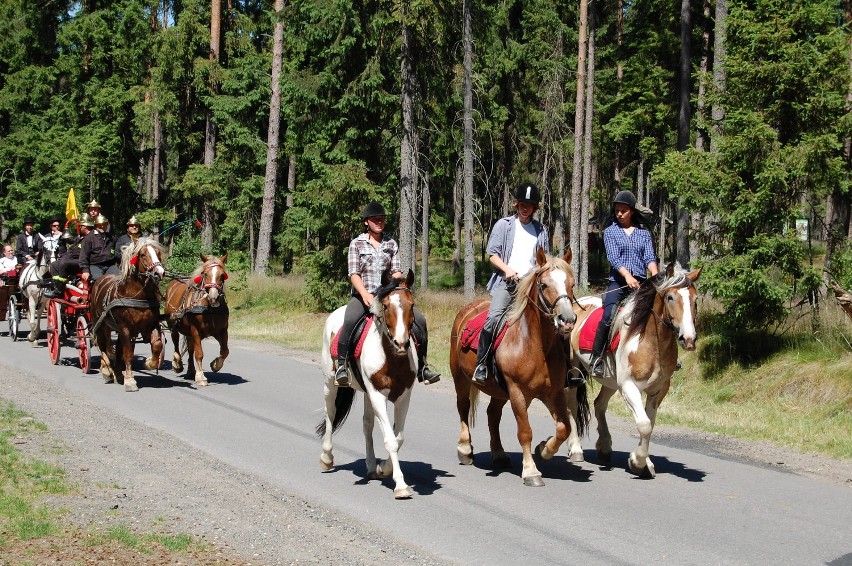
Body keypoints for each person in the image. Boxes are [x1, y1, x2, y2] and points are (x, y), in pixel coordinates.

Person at [334, 201, 441, 387]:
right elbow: (354, 274)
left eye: (382, 219)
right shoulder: (357, 244)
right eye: (375, 219)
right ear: (366, 222)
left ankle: (423, 366)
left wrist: (395, 282)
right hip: (363, 295)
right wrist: (366, 295)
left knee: (420, 321)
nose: (380, 222)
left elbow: (397, 270)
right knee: (350, 320)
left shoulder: (391, 243)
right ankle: (342, 366)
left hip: (389, 295)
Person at [472, 182, 551, 383]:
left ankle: (564, 370)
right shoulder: (504, 225)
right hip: (508, 284)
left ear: (535, 207)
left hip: (532, 285)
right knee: (494, 318)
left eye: (530, 204)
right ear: (516, 204)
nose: (526, 208)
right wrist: (507, 270)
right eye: (523, 204)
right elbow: (492, 254)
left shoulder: (540, 229)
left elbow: (544, 259)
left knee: (555, 319)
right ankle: (482, 363)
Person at [588, 190, 659, 378]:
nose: (619, 214)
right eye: (617, 210)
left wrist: (655, 273)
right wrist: (627, 276)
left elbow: (649, 257)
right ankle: (596, 359)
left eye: (624, 211)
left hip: (641, 284)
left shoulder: (643, 234)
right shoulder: (610, 232)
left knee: (661, 313)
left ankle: (666, 356)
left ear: (632, 212)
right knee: (609, 316)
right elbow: (613, 258)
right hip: (618, 282)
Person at [43, 215, 94, 298]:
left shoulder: (90, 237)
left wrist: (66, 258)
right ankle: (57, 286)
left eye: (80, 226)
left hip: (83, 261)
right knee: (54, 264)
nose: (79, 228)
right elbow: (71, 250)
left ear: (85, 226)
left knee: (63, 264)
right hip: (74, 259)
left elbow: (81, 253)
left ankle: (60, 290)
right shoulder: (80, 238)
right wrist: (63, 257)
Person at [80, 214, 119, 283]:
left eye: (104, 224)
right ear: (95, 225)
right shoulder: (89, 238)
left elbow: (116, 252)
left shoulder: (111, 238)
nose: (102, 226)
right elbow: (83, 256)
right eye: (100, 225)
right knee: (100, 281)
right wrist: (85, 270)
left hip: (110, 265)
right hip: (95, 265)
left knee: (119, 278)